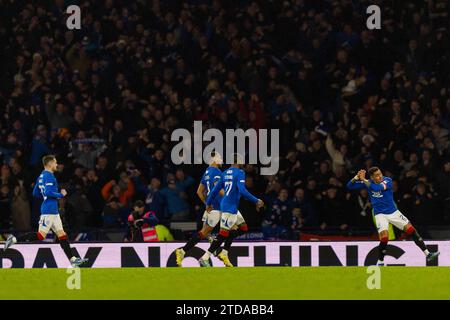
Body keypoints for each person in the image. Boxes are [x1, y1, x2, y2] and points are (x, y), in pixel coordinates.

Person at [4, 155, 88, 268]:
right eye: (55, 162)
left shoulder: (41, 176)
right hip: (49, 210)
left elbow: (35, 193)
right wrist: (60, 194)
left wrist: (45, 197)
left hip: (52, 210)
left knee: (62, 235)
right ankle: (14, 239)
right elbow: (48, 192)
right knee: (40, 235)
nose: (56, 164)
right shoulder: (49, 176)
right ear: (49, 164)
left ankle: (73, 259)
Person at [347, 166, 440, 266]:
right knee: (384, 238)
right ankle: (381, 262)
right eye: (377, 175)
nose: (380, 176)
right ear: (372, 177)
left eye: (380, 173)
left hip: (393, 212)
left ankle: (428, 254)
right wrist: (356, 178)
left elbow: (377, 188)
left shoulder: (387, 180)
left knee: (411, 230)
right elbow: (349, 186)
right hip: (380, 214)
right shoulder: (368, 182)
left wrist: (363, 179)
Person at [199, 153, 264, 267]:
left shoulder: (224, 173)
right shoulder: (240, 173)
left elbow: (214, 191)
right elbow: (242, 191)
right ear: (239, 161)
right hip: (230, 207)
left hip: (228, 205)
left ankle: (224, 252)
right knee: (223, 233)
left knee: (243, 228)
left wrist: (208, 203)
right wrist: (256, 200)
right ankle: (205, 257)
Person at [175, 152, 232, 266]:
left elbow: (199, 192)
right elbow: (219, 189)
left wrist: (207, 203)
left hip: (213, 207)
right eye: (219, 157)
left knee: (207, 232)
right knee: (211, 232)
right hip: (218, 207)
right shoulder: (217, 172)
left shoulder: (206, 172)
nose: (221, 159)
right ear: (213, 159)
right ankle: (186, 252)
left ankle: (213, 251)